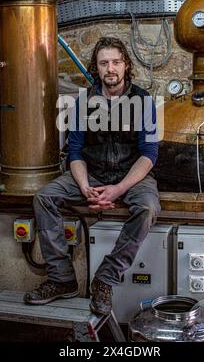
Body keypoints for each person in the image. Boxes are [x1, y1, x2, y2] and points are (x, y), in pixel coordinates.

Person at [24, 37, 160, 315]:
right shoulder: (83, 102)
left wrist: (119, 189)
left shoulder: (143, 100)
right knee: (44, 197)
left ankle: (105, 278)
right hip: (92, 172)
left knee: (147, 207)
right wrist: (86, 187)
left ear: (126, 65)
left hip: (132, 174)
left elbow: (149, 154)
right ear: (96, 68)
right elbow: (74, 151)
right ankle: (62, 279)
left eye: (116, 62)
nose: (110, 68)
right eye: (104, 63)